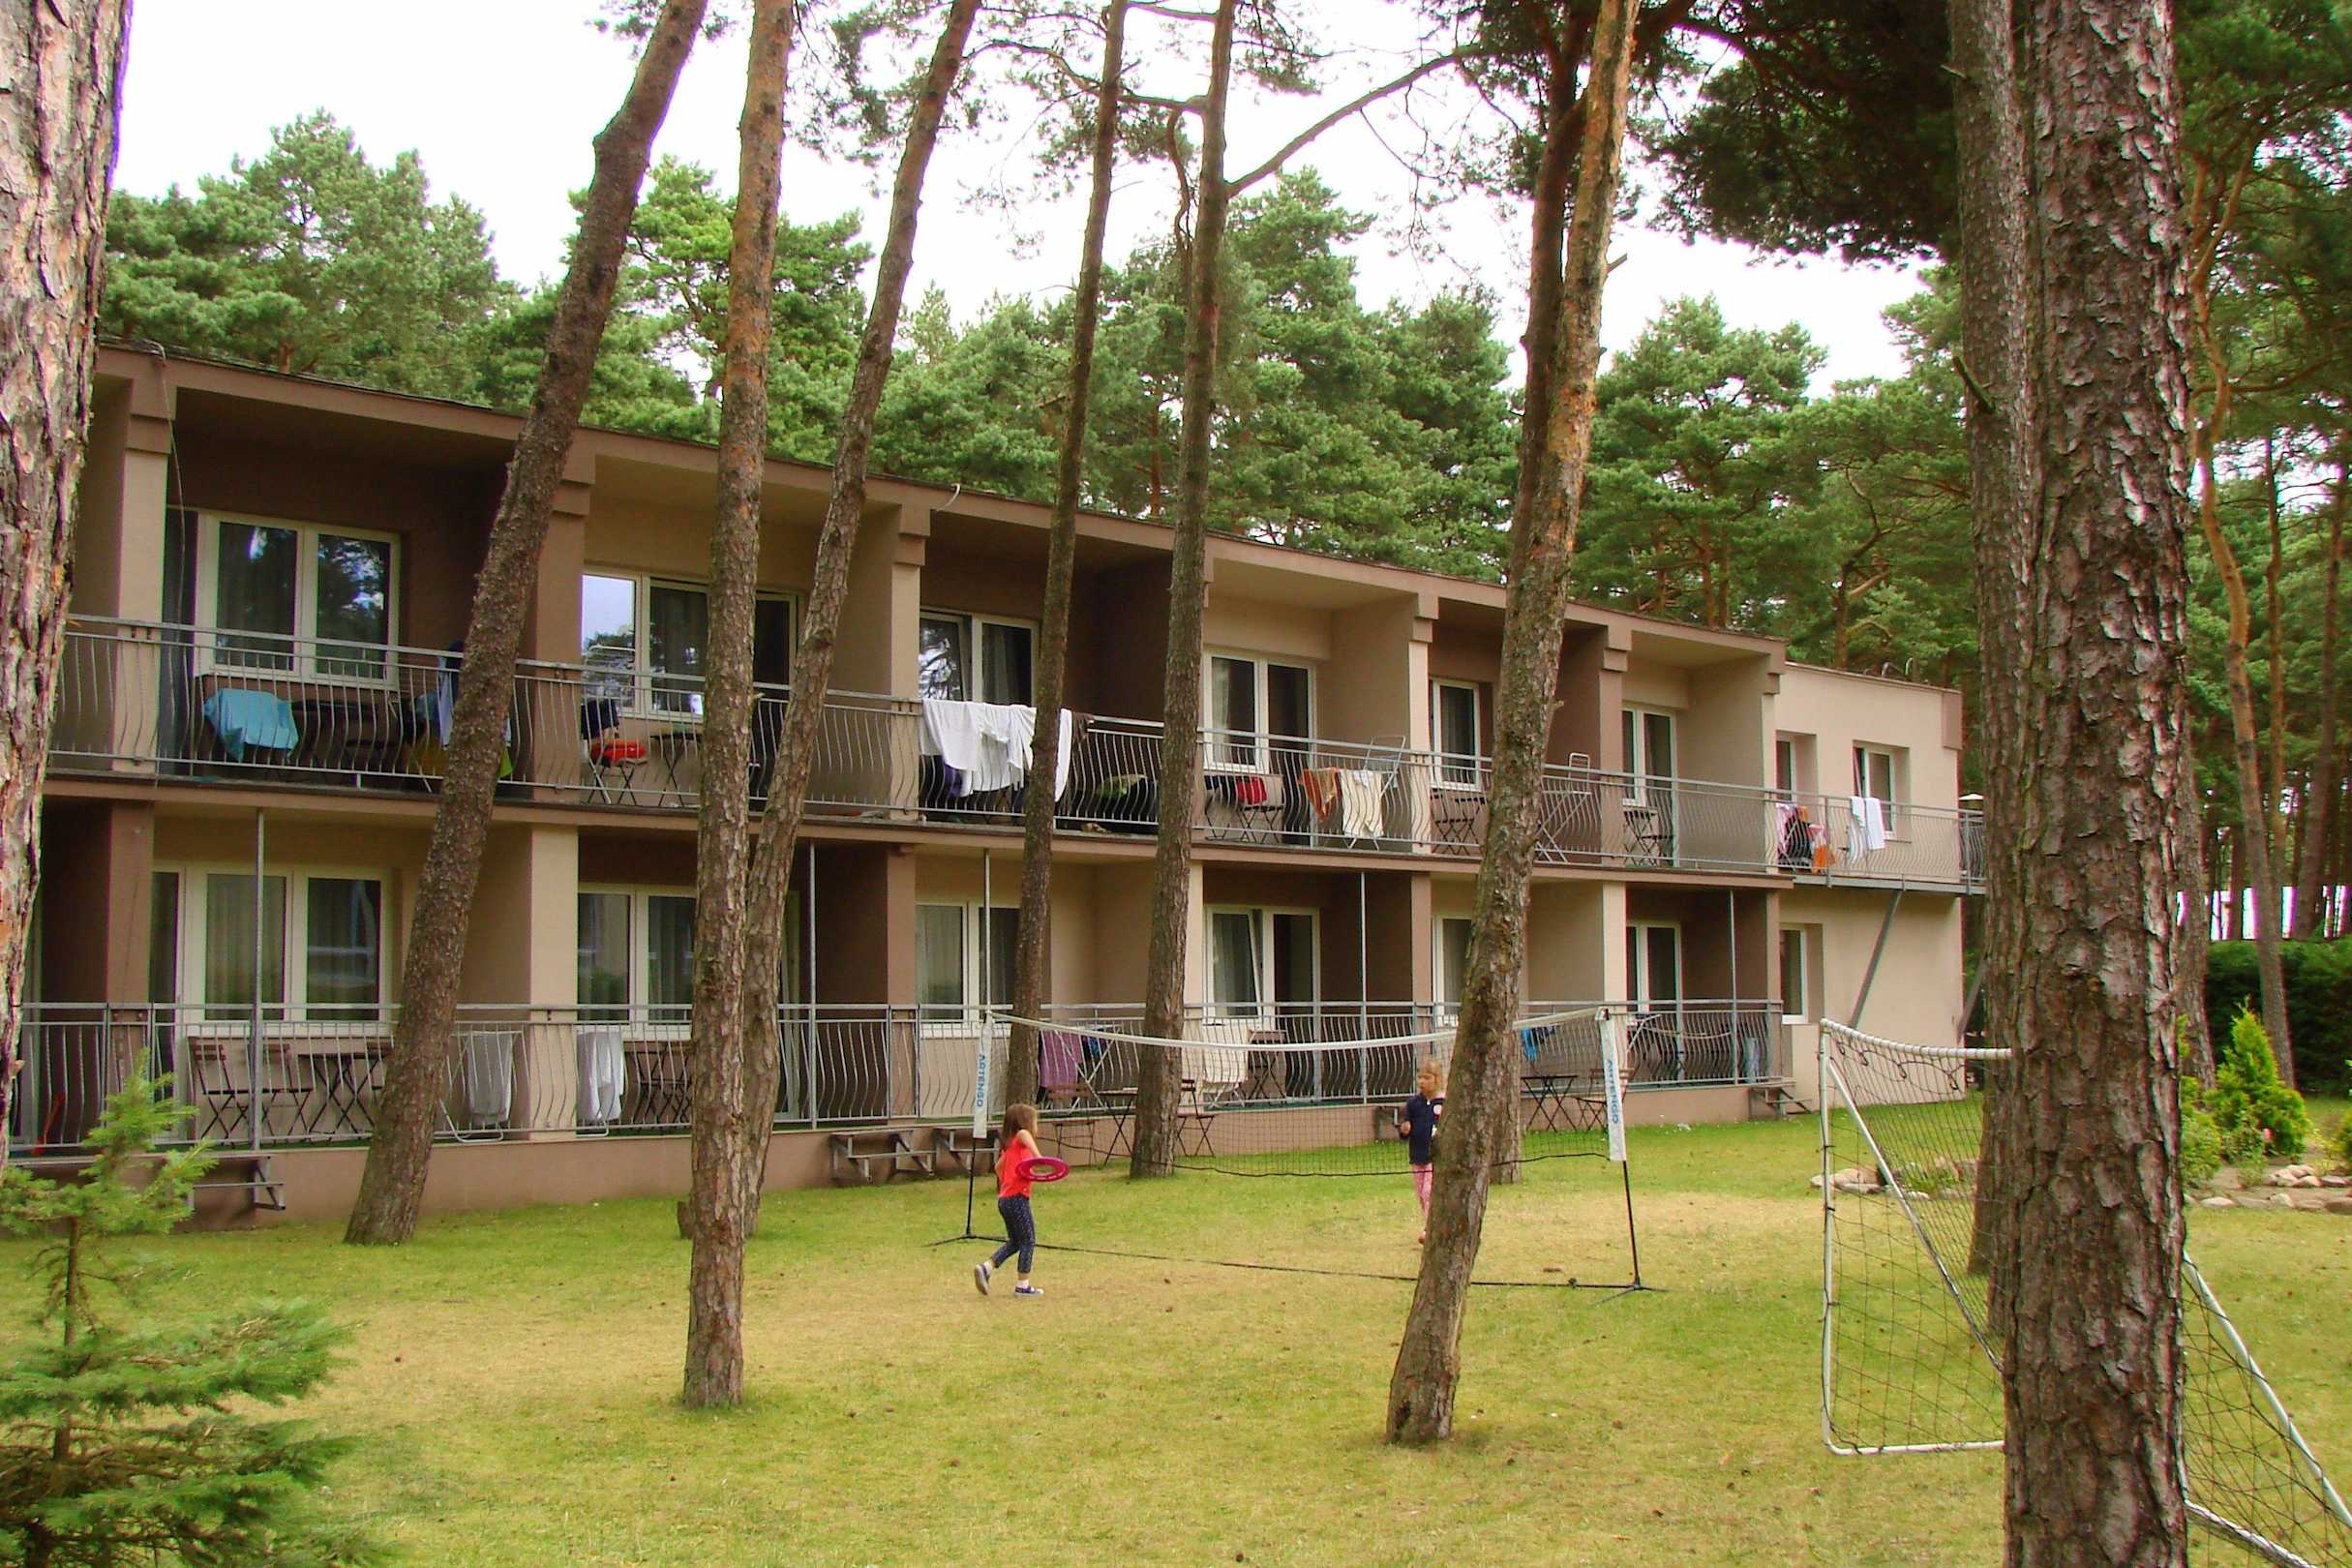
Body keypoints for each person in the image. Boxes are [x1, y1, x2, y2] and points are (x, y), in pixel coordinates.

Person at [976, 1102, 1045, 1298]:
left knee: (1016, 1241)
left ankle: (986, 1267)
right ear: (1025, 1122)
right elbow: (1025, 1134)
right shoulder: (1021, 1136)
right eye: (1035, 1121)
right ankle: (1023, 1286)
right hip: (1017, 1199)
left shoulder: (1010, 1148)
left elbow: (998, 1168)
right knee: (1029, 1241)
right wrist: (1038, 1158)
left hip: (1005, 1199)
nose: (1036, 1126)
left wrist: (1014, 1179)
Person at [1401, 1058, 1445, 1244]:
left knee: (1428, 1192)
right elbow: (1405, 1129)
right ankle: (1432, 1224)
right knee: (1421, 1194)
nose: (1422, 1081)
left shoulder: (1444, 1102)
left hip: (1435, 1157)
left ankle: (1429, 1230)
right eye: (1420, 1077)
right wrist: (1405, 1130)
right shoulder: (1413, 1104)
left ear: (1437, 1079)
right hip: (1417, 1155)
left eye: (1427, 1078)